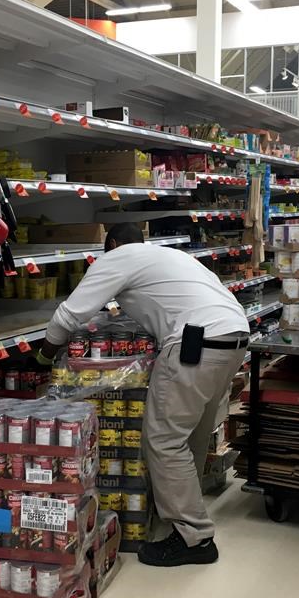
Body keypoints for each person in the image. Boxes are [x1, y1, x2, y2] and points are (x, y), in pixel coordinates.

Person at [38, 224, 250, 566]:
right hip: (233, 339)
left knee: (164, 440)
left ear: (113, 244)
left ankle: (193, 538)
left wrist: (45, 356)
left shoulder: (116, 257)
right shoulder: (167, 256)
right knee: (190, 437)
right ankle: (183, 519)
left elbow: (70, 314)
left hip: (195, 344)